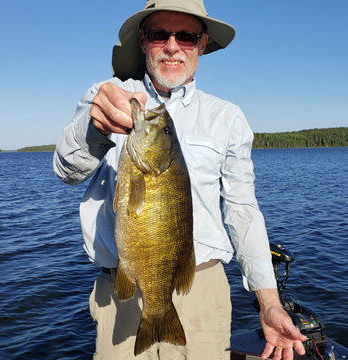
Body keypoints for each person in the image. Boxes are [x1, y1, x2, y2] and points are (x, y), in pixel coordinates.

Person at [53, 0, 307, 359]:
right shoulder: (107, 96)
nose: (172, 46)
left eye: (186, 36)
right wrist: (94, 129)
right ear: (143, 41)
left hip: (201, 291)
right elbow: (66, 171)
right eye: (160, 34)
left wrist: (269, 302)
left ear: (202, 44)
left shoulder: (227, 117)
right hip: (120, 293)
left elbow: (242, 210)